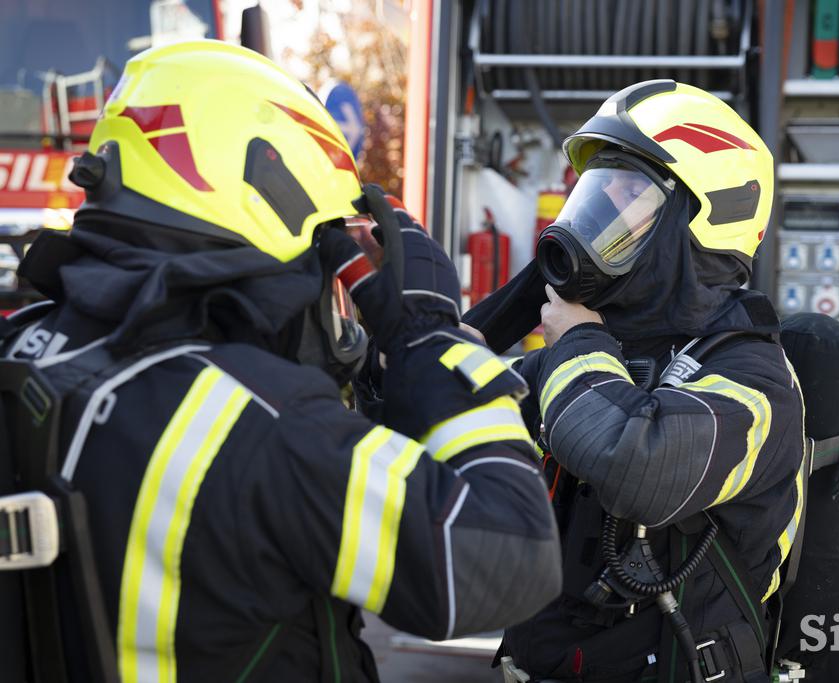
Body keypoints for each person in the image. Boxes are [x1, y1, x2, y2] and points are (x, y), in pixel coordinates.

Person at [1, 41, 560, 682]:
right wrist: (433, 339)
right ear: (269, 188)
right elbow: (510, 557)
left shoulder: (24, 350)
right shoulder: (262, 424)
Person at [496, 81, 806, 683]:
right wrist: (425, 340)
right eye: (597, 186)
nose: (600, 205)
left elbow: (640, 468)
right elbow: (459, 426)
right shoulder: (607, 346)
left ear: (698, 222)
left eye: (627, 189)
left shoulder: (755, 378)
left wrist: (579, 342)